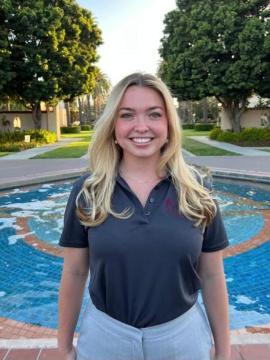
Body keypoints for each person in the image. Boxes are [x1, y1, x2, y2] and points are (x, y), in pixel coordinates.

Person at [58, 72, 231, 360]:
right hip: (105, 338)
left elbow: (212, 274)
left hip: (182, 339)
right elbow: (75, 272)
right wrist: (63, 347)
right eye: (127, 115)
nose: (141, 126)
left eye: (154, 114)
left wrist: (224, 352)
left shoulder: (198, 190)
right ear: (113, 126)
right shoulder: (87, 191)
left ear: (168, 125)